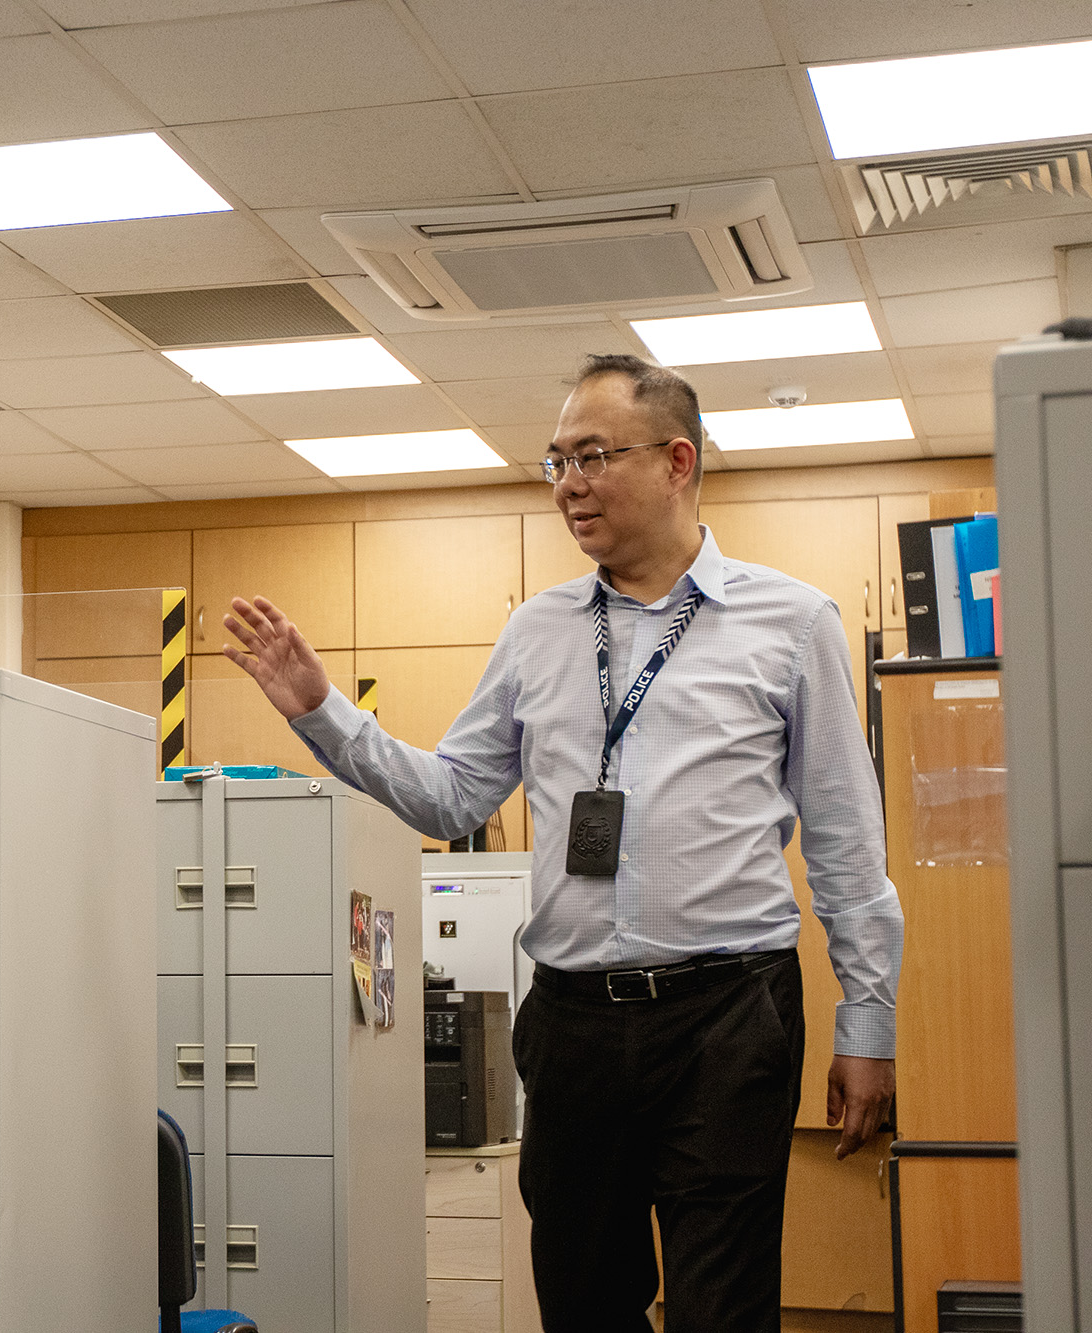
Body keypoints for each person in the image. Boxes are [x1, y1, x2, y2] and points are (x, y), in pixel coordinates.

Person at [220, 354, 902, 1333]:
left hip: (728, 1016)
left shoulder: (789, 622)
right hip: (572, 1019)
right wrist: (323, 714)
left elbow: (844, 843)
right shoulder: (536, 632)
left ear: (676, 461)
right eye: (554, 462)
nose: (567, 484)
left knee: (722, 1304)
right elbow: (451, 797)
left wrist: (865, 1031)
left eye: (591, 455)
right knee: (582, 1303)